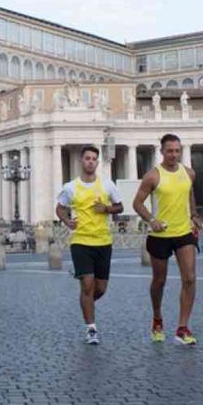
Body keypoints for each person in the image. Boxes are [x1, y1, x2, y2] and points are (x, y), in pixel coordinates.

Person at [132, 134, 202, 345]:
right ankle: (157, 318)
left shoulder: (189, 173)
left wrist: (194, 215)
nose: (174, 154)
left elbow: (190, 195)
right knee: (159, 281)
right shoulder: (153, 176)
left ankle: (182, 327)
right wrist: (151, 220)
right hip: (160, 234)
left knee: (189, 278)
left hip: (183, 233)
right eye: (169, 151)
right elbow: (137, 203)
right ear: (162, 152)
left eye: (177, 150)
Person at [55, 145, 123, 344]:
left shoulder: (107, 185)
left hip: (103, 241)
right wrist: (68, 222)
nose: (90, 162)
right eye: (87, 158)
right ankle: (91, 328)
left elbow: (120, 206)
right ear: (81, 161)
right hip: (80, 241)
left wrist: (107, 208)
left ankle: (86, 304)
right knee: (87, 284)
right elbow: (59, 208)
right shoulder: (70, 187)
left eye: (94, 159)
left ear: (97, 162)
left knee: (100, 289)